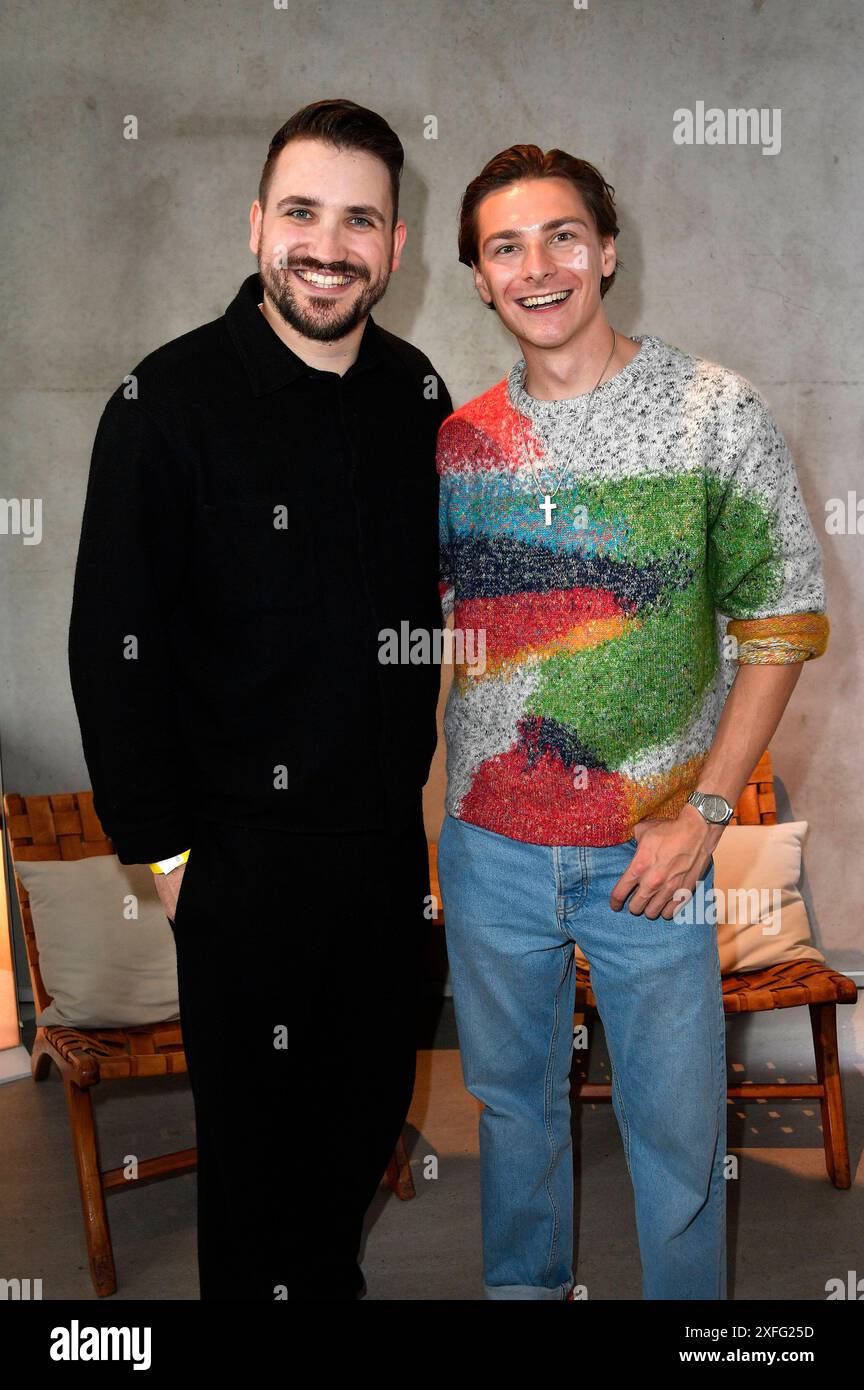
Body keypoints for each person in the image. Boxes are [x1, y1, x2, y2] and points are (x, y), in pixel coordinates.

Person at [68, 99, 452, 1302]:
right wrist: (170, 862)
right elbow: (110, 647)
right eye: (301, 212)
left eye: (358, 220)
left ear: (394, 246)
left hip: (386, 861)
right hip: (240, 868)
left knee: (357, 1140)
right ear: (254, 226)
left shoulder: (420, 398)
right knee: (255, 1181)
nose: (326, 246)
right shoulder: (162, 403)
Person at [435, 144, 829, 1300]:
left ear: (607, 251)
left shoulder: (717, 412)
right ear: (477, 276)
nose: (538, 266)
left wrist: (705, 812)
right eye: (505, 246)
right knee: (512, 1115)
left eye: (563, 236)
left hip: (653, 853)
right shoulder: (459, 446)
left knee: (675, 1136)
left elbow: (780, 628)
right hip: (491, 847)